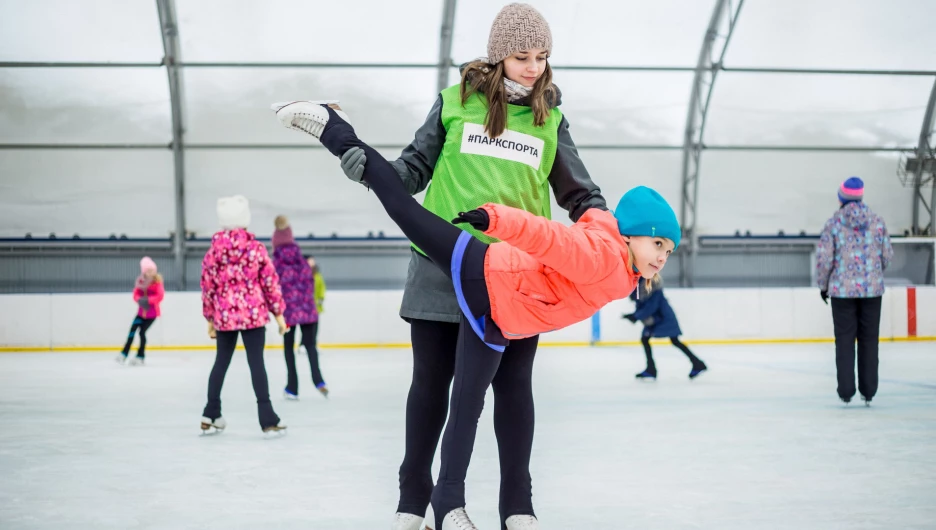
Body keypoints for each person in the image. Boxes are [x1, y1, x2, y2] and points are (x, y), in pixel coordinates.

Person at [272, 101, 679, 529]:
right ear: (632, 236)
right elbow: (547, 236)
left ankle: (466, 505)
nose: (663, 259)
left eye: (669, 252)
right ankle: (335, 130)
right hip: (488, 275)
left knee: (474, 397)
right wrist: (495, 218)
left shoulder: (616, 254)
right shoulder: (600, 257)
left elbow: (589, 205)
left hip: (505, 300)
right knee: (405, 216)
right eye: (658, 246)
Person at [336, 4, 605, 529]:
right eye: (522, 56)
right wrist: (371, 171)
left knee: (513, 388)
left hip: (518, 276)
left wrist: (610, 230)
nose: (534, 66)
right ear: (498, 55)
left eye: (543, 57)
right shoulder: (454, 104)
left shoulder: (551, 115)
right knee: (431, 387)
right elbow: (412, 169)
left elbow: (579, 191)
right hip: (441, 265)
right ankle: (413, 500)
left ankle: (517, 505)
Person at [200, 195, 289, 436]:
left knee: (221, 362)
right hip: (253, 314)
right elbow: (270, 283)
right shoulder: (255, 249)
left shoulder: (214, 252)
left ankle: (211, 411)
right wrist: (279, 316)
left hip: (225, 316)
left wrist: (210, 318)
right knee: (256, 363)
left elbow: (208, 287)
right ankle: (267, 417)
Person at [816, 177, 894, 406]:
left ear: (841, 198)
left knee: (844, 340)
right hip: (872, 291)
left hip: (842, 292)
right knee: (869, 339)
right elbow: (887, 256)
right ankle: (869, 391)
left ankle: (846, 390)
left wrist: (823, 286)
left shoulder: (833, 224)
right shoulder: (877, 222)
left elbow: (824, 259)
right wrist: (873, 272)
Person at [272, 215, 328, 399]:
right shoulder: (302, 260)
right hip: (307, 311)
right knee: (310, 346)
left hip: (287, 314)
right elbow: (311, 282)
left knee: (289, 349)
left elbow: (272, 288)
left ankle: (292, 387)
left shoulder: (276, 264)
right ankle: (319, 380)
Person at [622, 280, 707, 379]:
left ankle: (697, 364)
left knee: (673, 340)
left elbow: (651, 306)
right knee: (651, 340)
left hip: (663, 318)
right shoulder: (638, 286)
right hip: (654, 319)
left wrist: (636, 316)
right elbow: (641, 304)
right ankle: (651, 368)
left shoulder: (653, 287)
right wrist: (634, 315)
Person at [117, 257, 164, 366]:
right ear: (144, 272)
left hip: (152, 314)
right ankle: (124, 353)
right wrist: (139, 299)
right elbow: (135, 294)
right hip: (141, 313)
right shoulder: (140, 282)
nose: (151, 273)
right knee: (132, 331)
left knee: (142, 332)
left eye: (152, 270)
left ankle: (140, 355)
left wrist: (148, 300)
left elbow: (160, 296)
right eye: (148, 271)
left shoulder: (157, 283)